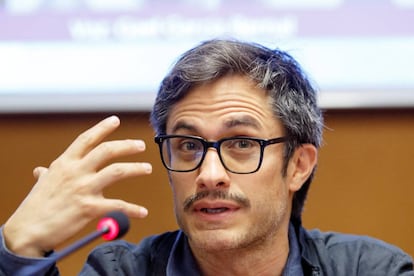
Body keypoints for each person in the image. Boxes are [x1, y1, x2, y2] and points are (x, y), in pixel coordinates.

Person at [0, 39, 413, 275]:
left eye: (241, 144)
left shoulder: (369, 269)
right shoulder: (122, 273)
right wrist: (18, 248)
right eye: (189, 146)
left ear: (298, 165)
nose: (208, 174)